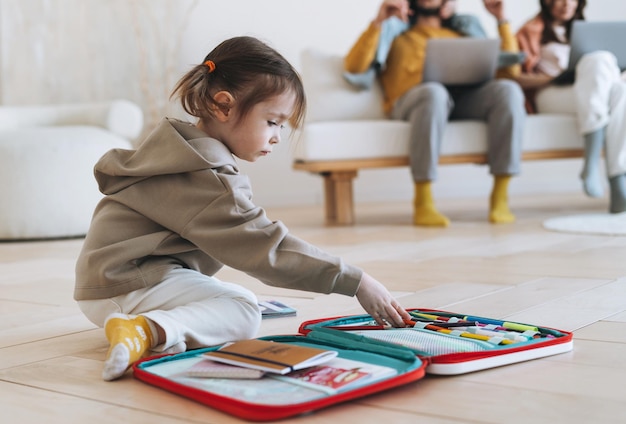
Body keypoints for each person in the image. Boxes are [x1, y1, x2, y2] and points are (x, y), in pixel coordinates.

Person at [74, 36, 411, 382]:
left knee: (237, 301)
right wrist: (356, 281)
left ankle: (154, 325)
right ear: (223, 106)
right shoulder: (207, 177)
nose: (278, 136)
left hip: (114, 276)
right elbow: (266, 249)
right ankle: (146, 330)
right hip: (124, 284)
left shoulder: (179, 149)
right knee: (243, 310)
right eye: (272, 122)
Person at [344, 0, 526, 227]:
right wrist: (379, 21)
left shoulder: (464, 30)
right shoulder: (395, 31)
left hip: (462, 99)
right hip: (414, 100)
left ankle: (500, 196)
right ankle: (423, 201)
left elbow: (511, 71)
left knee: (508, 90)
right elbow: (353, 67)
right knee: (434, 92)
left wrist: (501, 19)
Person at [516, 0, 626, 213]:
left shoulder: (590, 31)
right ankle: (593, 164)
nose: (566, 4)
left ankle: (618, 183)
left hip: (587, 93)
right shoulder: (530, 30)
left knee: (620, 89)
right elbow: (514, 76)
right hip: (551, 94)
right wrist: (553, 79)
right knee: (596, 62)